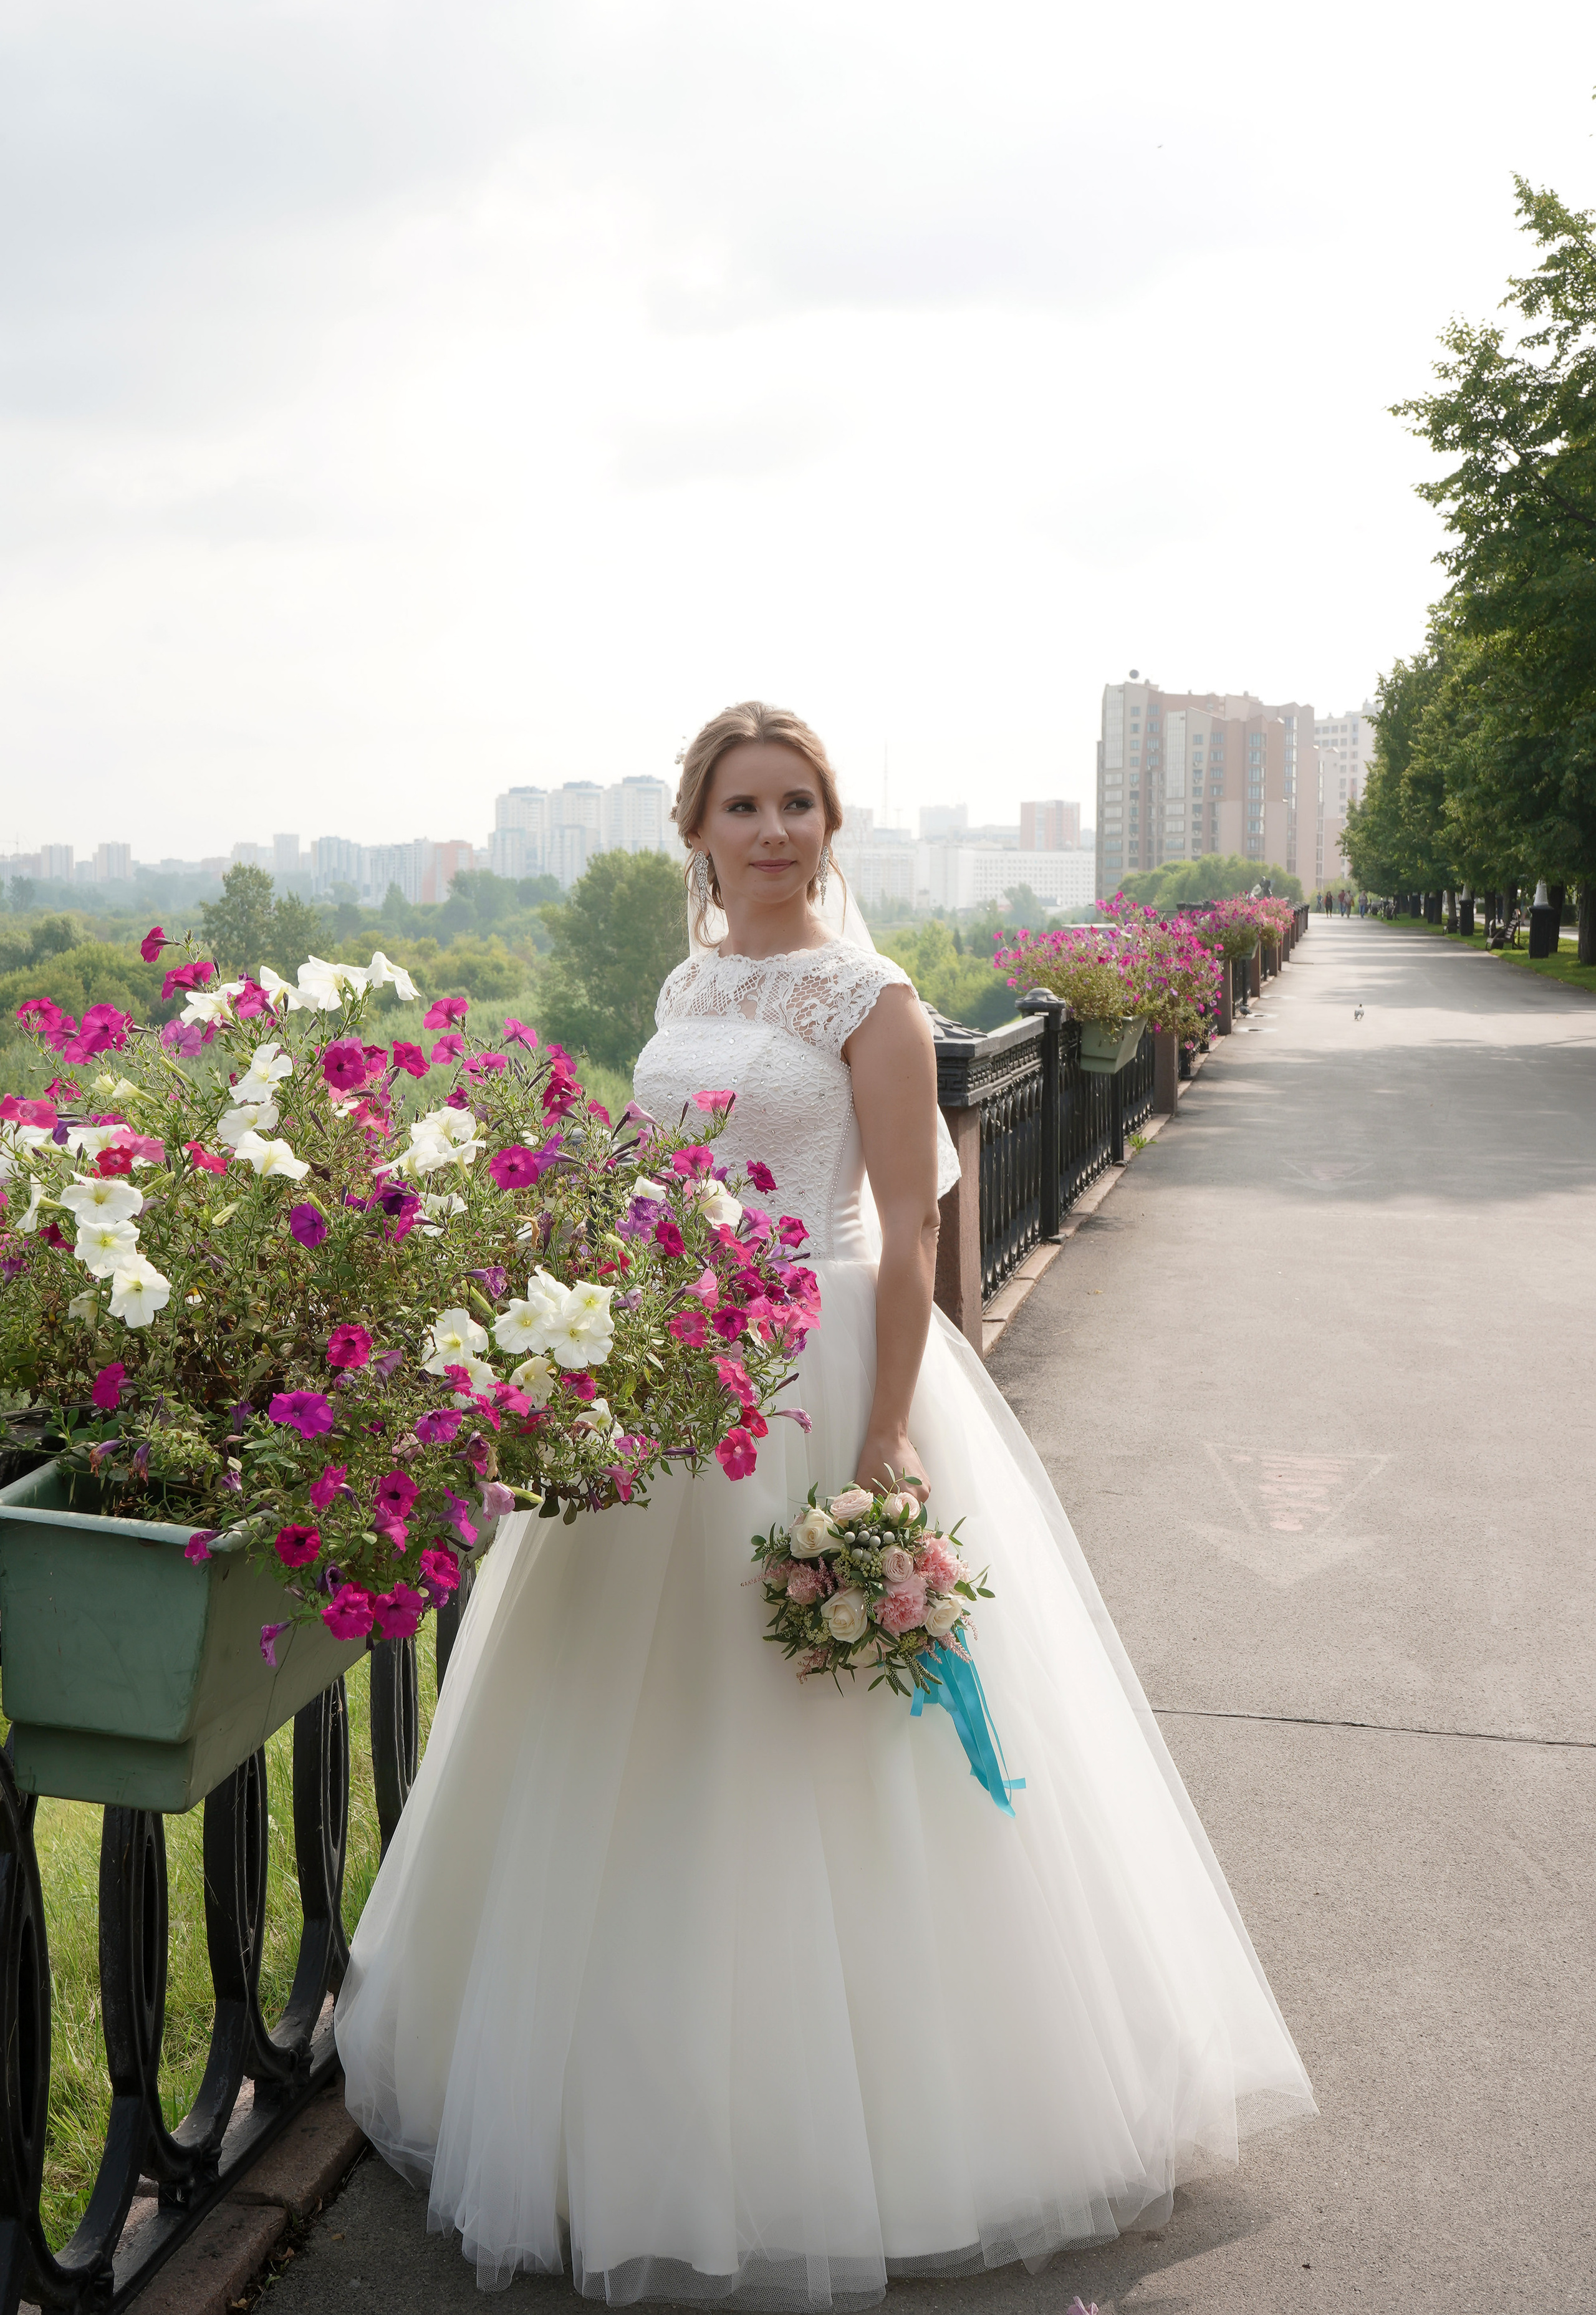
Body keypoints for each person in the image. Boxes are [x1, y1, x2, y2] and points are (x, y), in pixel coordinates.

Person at [336, 701, 1316, 2306]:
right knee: (650, 1728)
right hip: (676, 1380)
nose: (775, 830)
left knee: (809, 1733)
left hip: (818, 1367)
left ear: (827, 826)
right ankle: (619, 2084)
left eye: (798, 804)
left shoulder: (872, 997)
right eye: (745, 805)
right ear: (698, 831)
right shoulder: (689, 982)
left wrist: (880, 1443)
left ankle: (859, 2122)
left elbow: (912, 1233)